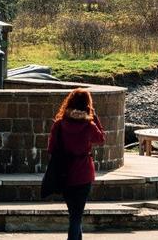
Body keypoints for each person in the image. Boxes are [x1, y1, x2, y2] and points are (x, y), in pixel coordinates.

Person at [47, 88, 106, 240]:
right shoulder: (88, 126)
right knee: (76, 216)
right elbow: (101, 139)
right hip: (83, 174)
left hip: (64, 173)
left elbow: (51, 148)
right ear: (87, 105)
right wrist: (95, 118)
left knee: (74, 214)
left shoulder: (59, 125)